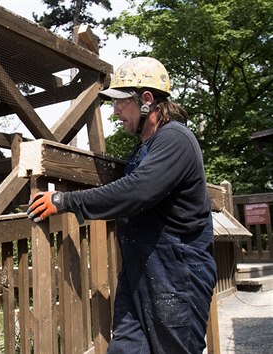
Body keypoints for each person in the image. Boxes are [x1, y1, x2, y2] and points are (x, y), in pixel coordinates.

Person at [27, 57, 216, 354]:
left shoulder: (176, 139)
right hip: (140, 273)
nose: (115, 112)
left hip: (178, 275)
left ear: (146, 101)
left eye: (120, 103)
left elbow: (136, 191)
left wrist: (65, 200)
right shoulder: (144, 149)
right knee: (124, 349)